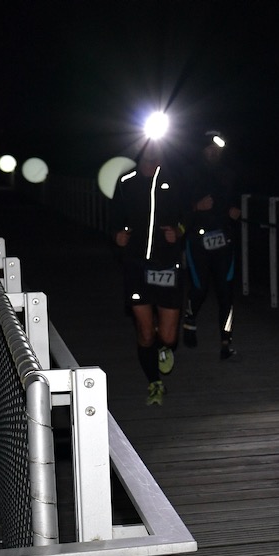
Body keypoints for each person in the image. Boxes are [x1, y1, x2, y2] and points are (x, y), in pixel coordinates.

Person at [111, 143, 185, 405]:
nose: (152, 154)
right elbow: (115, 218)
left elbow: (188, 215)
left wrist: (179, 232)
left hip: (167, 266)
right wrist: (118, 234)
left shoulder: (174, 180)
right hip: (136, 266)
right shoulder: (126, 181)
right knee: (145, 333)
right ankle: (155, 383)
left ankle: (164, 348)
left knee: (167, 336)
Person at [182, 129, 241, 360]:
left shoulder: (230, 175)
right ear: (202, 150)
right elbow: (177, 209)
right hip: (197, 239)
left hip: (224, 240)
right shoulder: (188, 174)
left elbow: (236, 202)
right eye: (209, 148)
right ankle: (189, 319)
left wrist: (235, 211)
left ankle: (226, 344)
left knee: (226, 294)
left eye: (217, 149)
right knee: (199, 288)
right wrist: (196, 208)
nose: (213, 152)